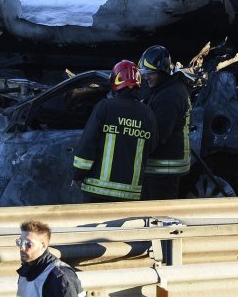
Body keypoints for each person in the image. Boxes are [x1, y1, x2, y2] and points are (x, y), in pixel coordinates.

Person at [72, 60, 157, 202]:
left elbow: (88, 144)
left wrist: (77, 175)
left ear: (116, 80)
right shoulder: (147, 113)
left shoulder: (105, 107)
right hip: (129, 194)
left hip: (97, 191)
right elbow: (153, 147)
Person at [137, 45, 191, 200]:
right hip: (162, 165)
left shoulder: (170, 96)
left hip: (164, 167)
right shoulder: (165, 89)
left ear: (162, 72)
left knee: (159, 213)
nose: (146, 77)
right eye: (144, 73)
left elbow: (159, 135)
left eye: (151, 73)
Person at [15, 219, 94, 297]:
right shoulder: (25, 271)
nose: (22, 248)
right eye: (20, 242)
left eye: (28, 244)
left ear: (43, 245)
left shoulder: (58, 276)